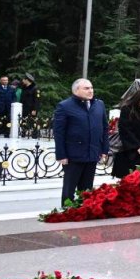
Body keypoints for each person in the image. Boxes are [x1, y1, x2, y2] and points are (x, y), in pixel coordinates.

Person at [51, 77, 109, 206]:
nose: (91, 91)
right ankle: (67, 211)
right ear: (76, 90)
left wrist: (104, 149)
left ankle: (84, 211)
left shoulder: (99, 104)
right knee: (69, 188)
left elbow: (105, 128)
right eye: (86, 88)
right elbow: (59, 132)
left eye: (91, 88)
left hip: (92, 153)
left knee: (87, 188)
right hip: (73, 155)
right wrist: (61, 155)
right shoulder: (65, 106)